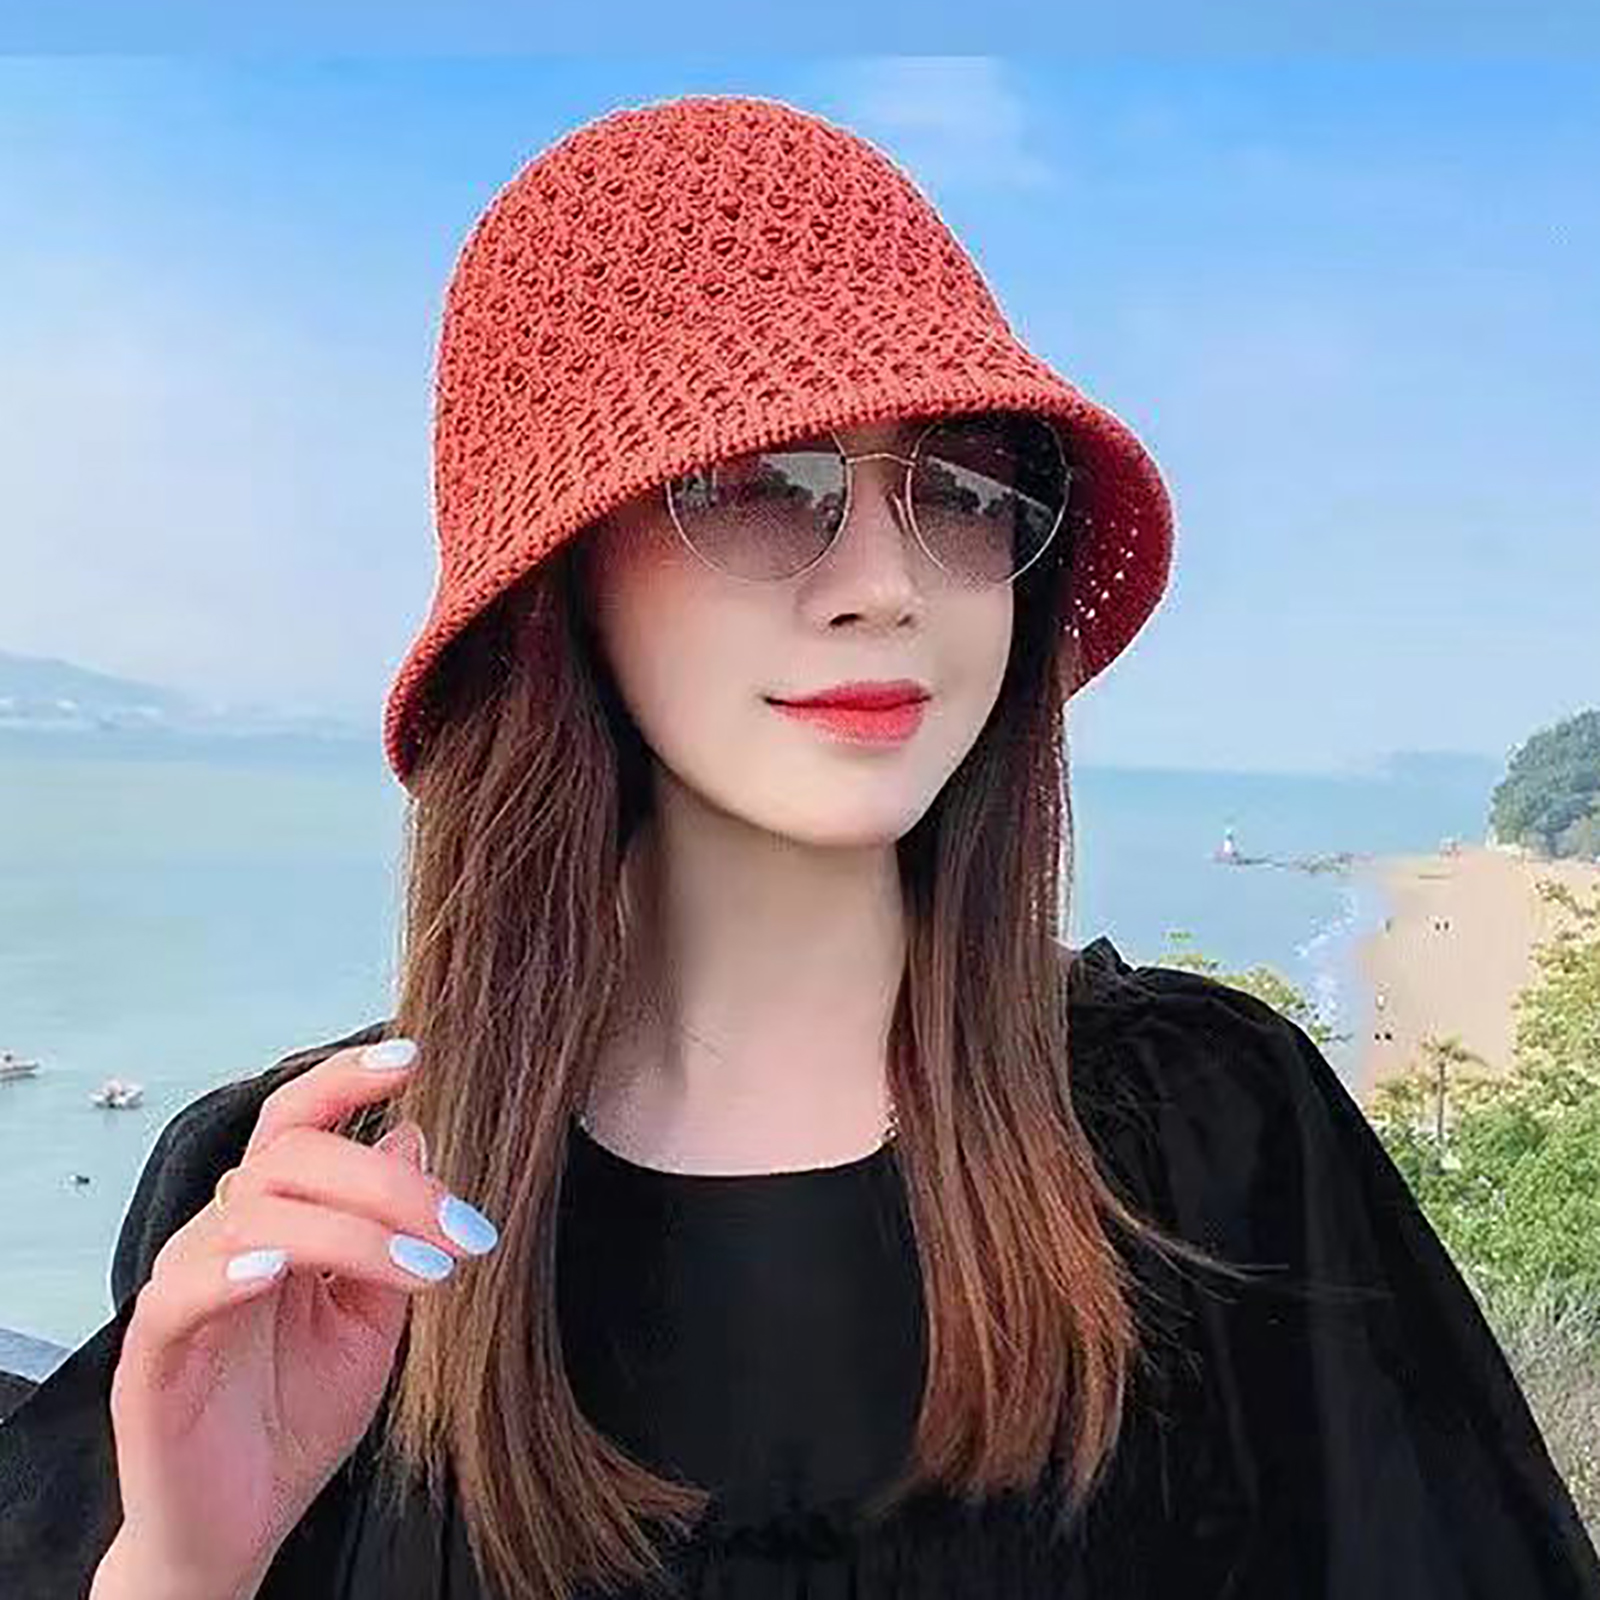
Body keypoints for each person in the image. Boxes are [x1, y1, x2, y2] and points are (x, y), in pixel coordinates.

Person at [4, 92, 1598, 1600]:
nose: (885, 581)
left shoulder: (1213, 1140)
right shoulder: (315, 1213)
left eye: (963, 488)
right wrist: (186, 1564)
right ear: (559, 584)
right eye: (765, 483)